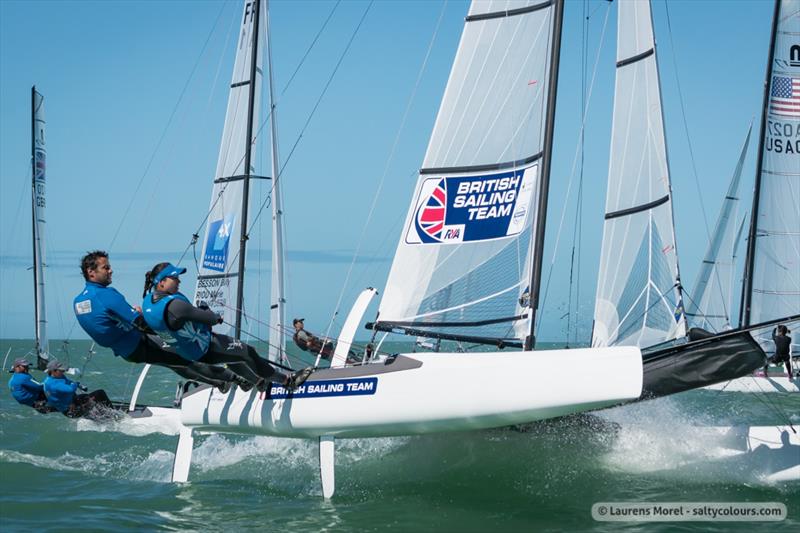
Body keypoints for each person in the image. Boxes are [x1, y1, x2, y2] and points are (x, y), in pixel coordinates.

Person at [73, 250, 243, 392]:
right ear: (91, 272)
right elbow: (141, 324)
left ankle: (219, 383)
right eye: (106, 267)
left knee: (176, 364)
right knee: (187, 359)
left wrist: (127, 318)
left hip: (127, 353)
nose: (111, 271)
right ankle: (237, 379)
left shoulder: (79, 301)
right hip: (139, 343)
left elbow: (101, 324)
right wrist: (173, 331)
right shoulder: (105, 294)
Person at [141, 262, 312, 391]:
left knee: (232, 358)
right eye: (174, 278)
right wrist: (213, 315)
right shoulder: (175, 306)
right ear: (161, 282)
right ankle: (288, 381)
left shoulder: (149, 302)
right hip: (206, 346)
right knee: (248, 353)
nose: (179, 281)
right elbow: (209, 318)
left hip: (189, 351)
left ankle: (259, 382)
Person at [43, 360, 112, 418]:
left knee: (85, 396)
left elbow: (69, 382)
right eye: (61, 370)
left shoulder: (57, 377)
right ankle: (113, 413)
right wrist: (76, 384)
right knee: (99, 393)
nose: (63, 371)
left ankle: (101, 411)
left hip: (72, 402)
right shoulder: (54, 384)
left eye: (63, 370)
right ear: (53, 371)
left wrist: (79, 385)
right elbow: (70, 389)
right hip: (72, 411)